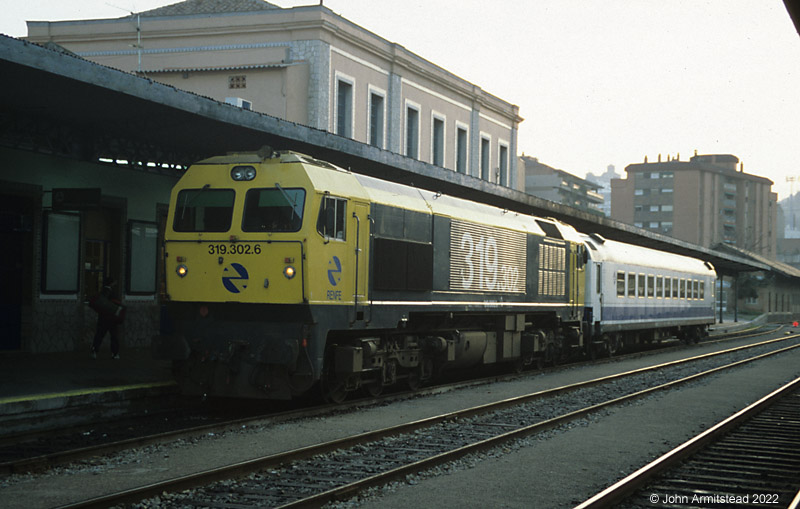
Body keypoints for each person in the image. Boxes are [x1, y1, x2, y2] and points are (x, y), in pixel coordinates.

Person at [89, 277, 125, 359]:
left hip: (102, 318)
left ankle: (94, 350)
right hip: (111, 319)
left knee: (99, 335)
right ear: (111, 283)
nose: (115, 283)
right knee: (114, 337)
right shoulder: (111, 292)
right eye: (114, 282)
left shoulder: (101, 292)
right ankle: (115, 353)